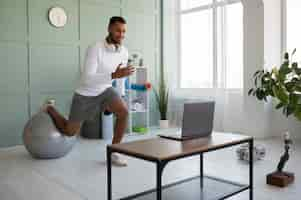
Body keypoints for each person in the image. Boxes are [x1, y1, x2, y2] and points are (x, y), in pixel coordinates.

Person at [43, 16, 135, 167]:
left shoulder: (123, 52)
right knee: (69, 131)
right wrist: (113, 75)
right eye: (118, 30)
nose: (122, 34)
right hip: (85, 93)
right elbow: (87, 78)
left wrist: (120, 95)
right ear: (109, 29)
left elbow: (120, 77)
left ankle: (115, 152)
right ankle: (50, 108)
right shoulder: (95, 48)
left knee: (123, 112)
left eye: (124, 31)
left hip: (105, 90)